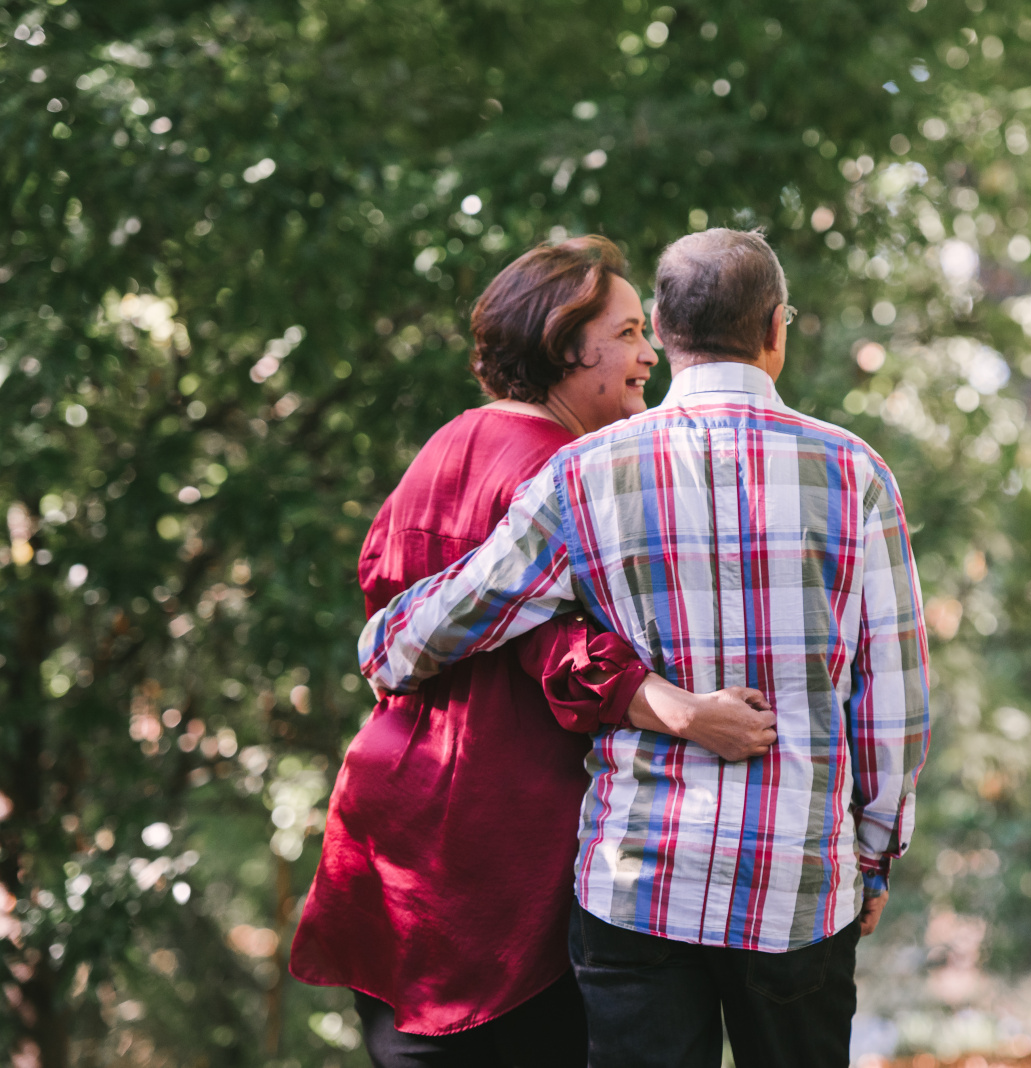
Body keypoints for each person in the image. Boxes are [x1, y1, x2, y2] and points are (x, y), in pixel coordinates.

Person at [358, 228, 932, 1067]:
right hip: (798, 886)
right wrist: (873, 856)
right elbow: (895, 703)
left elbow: (447, 619)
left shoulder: (584, 473)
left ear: (663, 328)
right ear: (775, 328)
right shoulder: (856, 473)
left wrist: (385, 641)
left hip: (639, 887)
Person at [290, 236, 777, 1067]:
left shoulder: (450, 442)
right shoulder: (568, 472)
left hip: (393, 820)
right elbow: (562, 653)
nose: (650, 353)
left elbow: (387, 596)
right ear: (564, 346)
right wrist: (693, 716)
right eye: (628, 333)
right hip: (497, 837)